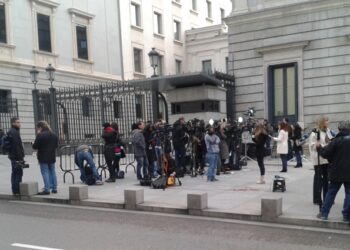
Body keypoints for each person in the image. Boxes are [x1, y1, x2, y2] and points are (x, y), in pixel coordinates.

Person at [316, 120, 350, 221]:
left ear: (339, 129)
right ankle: (346, 215)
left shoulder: (336, 140)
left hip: (336, 172)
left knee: (331, 192)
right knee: (349, 193)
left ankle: (324, 214)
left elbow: (325, 154)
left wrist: (319, 148)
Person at [309, 116, 333, 205]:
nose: (328, 122)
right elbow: (311, 145)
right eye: (326, 121)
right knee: (318, 179)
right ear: (322, 122)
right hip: (318, 159)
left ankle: (327, 198)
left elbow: (330, 140)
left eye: (328, 121)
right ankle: (317, 199)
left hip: (326, 159)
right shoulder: (315, 132)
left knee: (327, 179)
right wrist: (317, 145)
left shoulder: (328, 131)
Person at [32, 121, 58, 195]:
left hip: (43, 156)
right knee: (53, 171)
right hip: (52, 156)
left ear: (40, 127)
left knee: (45, 172)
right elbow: (56, 146)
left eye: (38, 128)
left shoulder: (40, 135)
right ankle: (54, 188)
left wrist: (38, 135)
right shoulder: (54, 135)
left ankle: (47, 189)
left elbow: (35, 146)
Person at [6, 117, 25, 195]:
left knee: (14, 173)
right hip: (16, 157)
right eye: (18, 122)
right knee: (18, 173)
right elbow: (17, 147)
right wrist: (20, 158)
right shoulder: (14, 132)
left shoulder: (12, 131)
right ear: (13, 123)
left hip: (13, 156)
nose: (19, 124)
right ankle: (17, 190)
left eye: (19, 122)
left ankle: (15, 190)